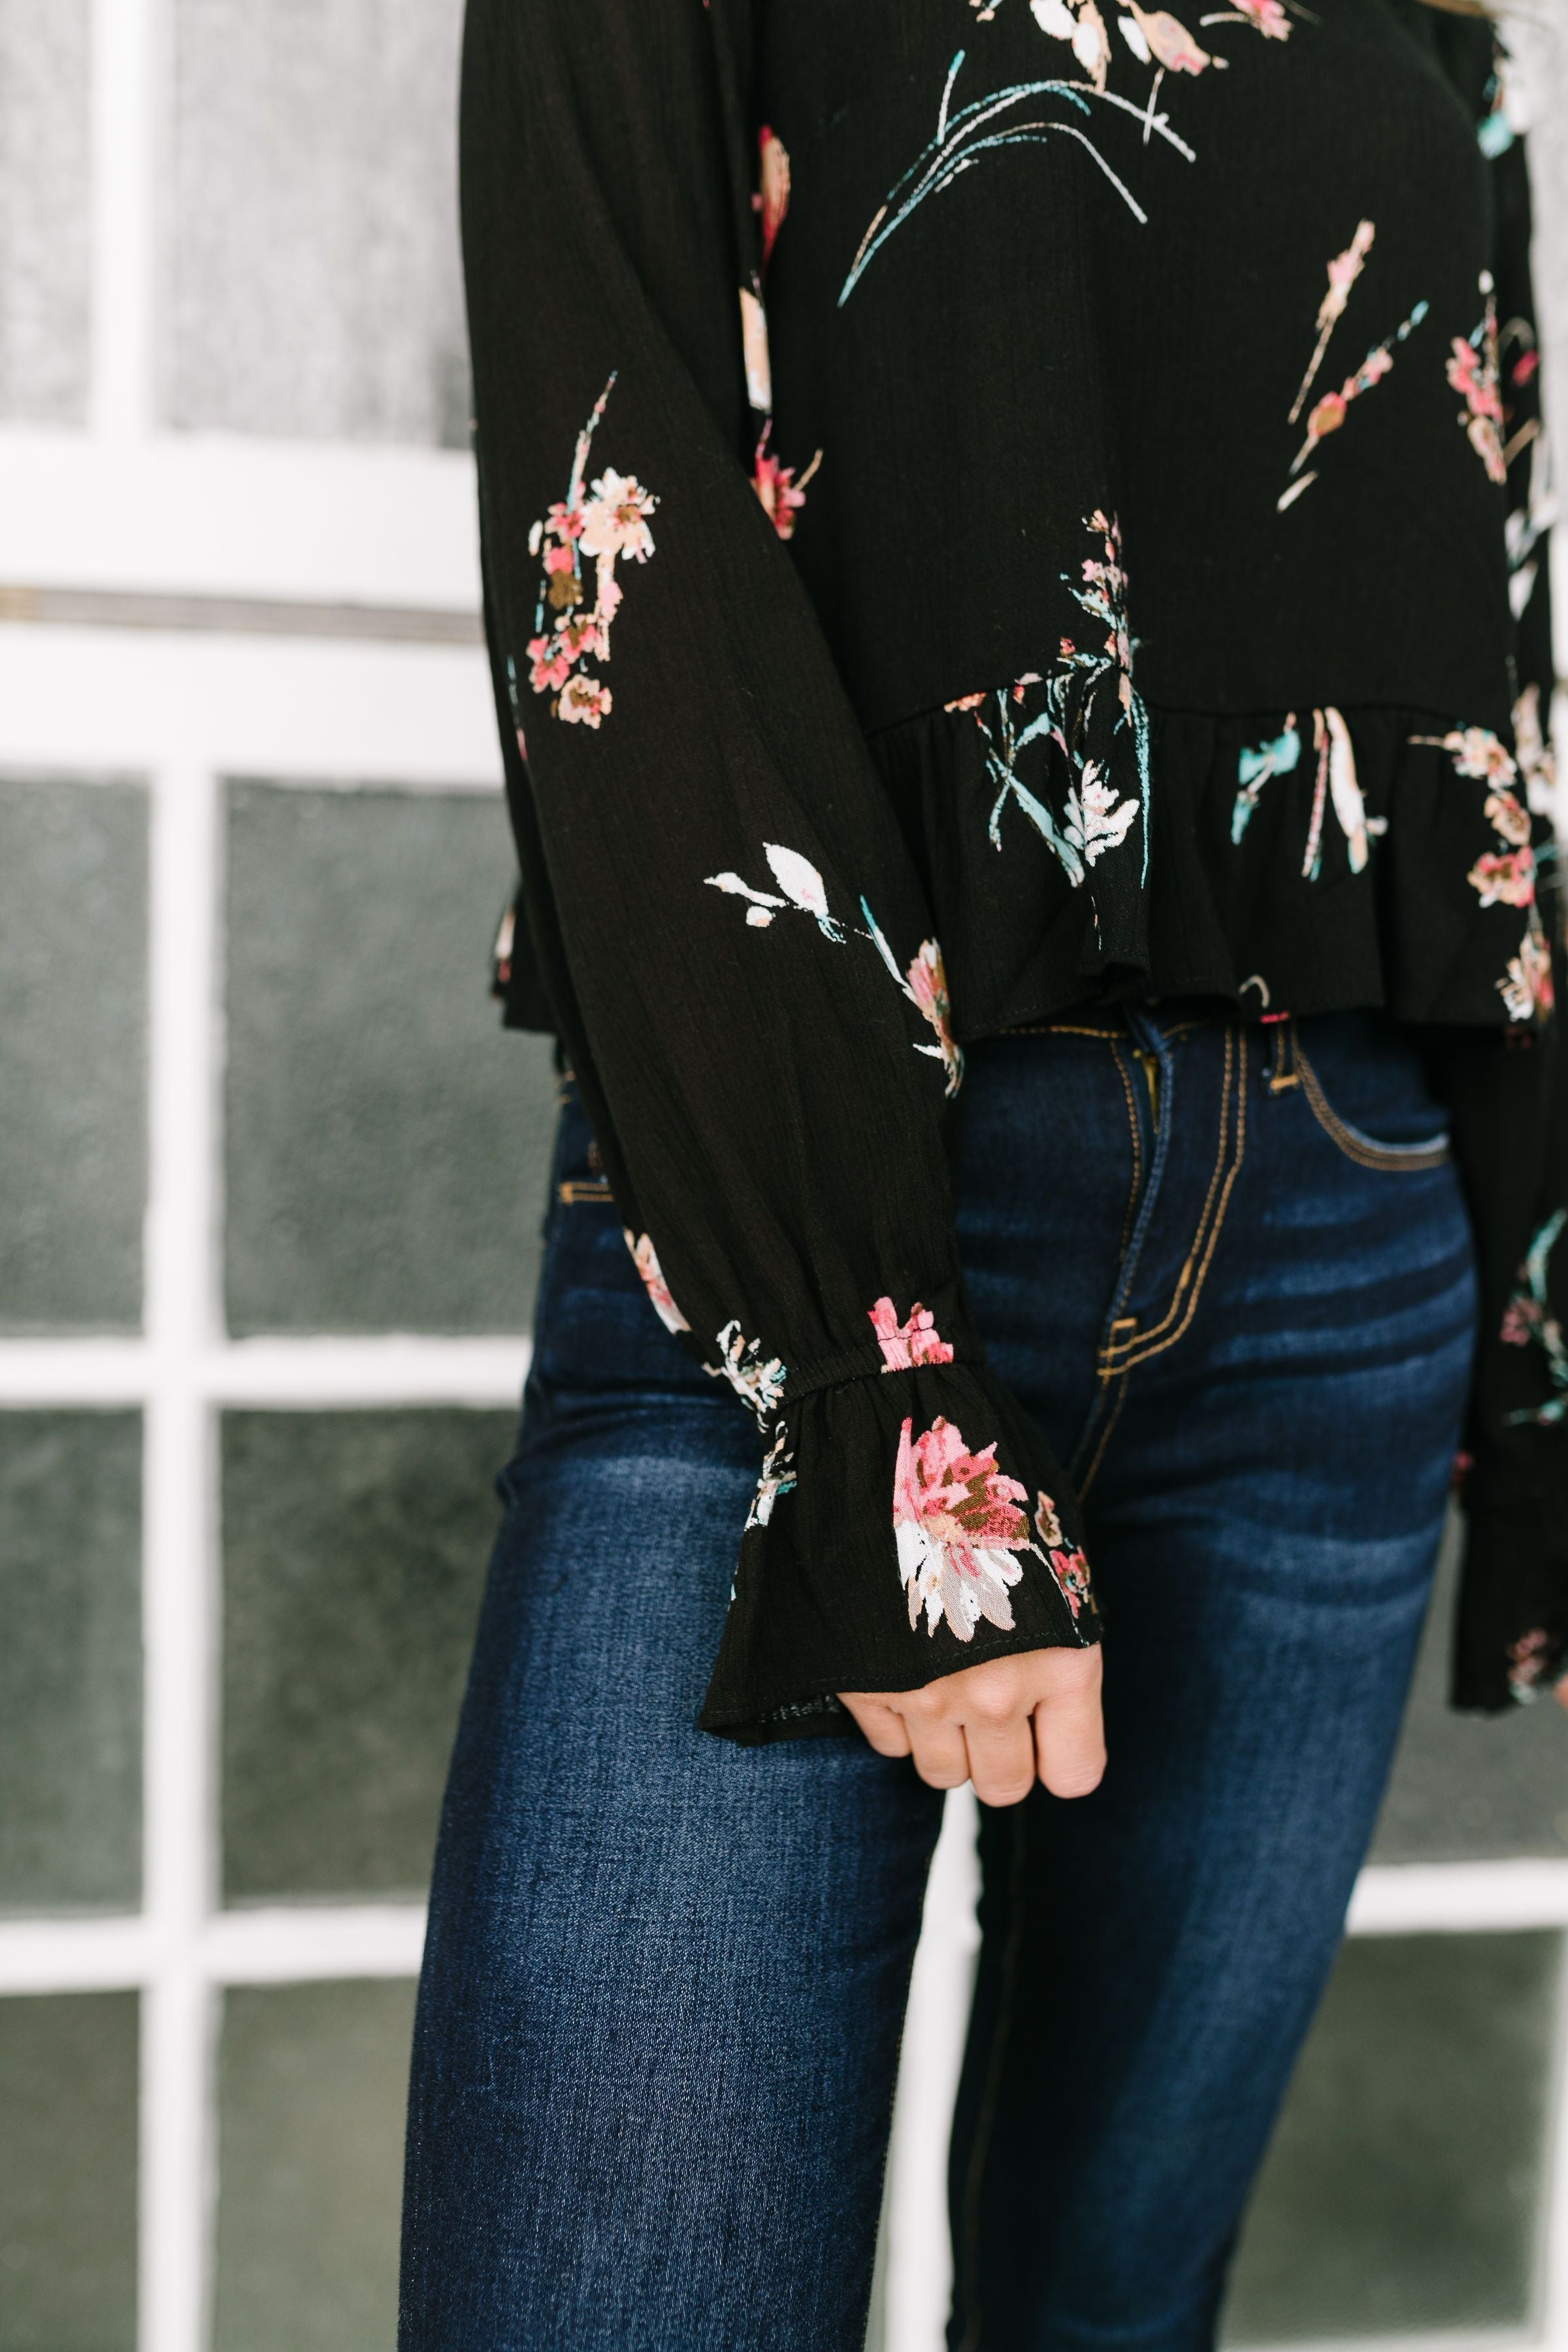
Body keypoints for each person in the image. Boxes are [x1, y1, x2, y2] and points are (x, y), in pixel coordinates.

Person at [400, 1, 1567, 2344]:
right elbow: (612, 527)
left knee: (1112, 2310)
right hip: (798, 1230)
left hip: (1345, 1240)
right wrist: (871, 1365)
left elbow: (1491, 640)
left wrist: (1535, 1350)